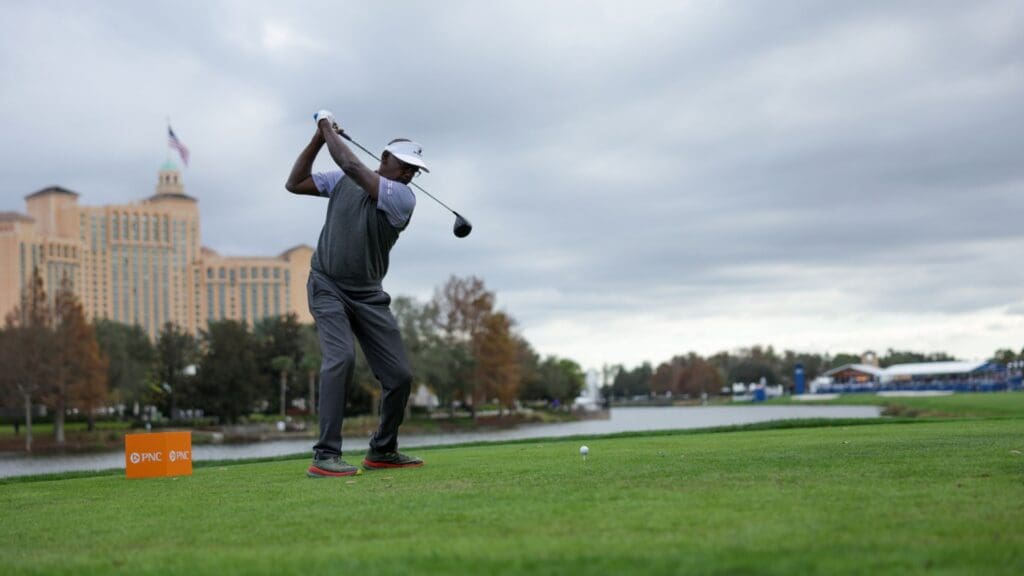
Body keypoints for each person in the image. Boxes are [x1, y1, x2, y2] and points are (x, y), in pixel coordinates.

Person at [286, 110, 426, 477]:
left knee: (399, 376)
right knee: (341, 359)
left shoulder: (402, 199)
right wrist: (320, 138)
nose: (410, 173)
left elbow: (349, 163)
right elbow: (295, 182)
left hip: (368, 295)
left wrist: (325, 126)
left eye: (415, 169)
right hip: (327, 284)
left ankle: (382, 450)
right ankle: (325, 455)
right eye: (405, 165)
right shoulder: (343, 181)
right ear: (385, 159)